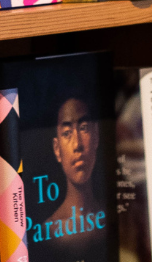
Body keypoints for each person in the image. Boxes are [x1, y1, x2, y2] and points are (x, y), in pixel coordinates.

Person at [47, 95, 103, 244]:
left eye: (83, 128)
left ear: (96, 136)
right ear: (57, 149)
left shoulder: (113, 219)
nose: (77, 144)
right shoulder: (50, 231)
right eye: (67, 133)